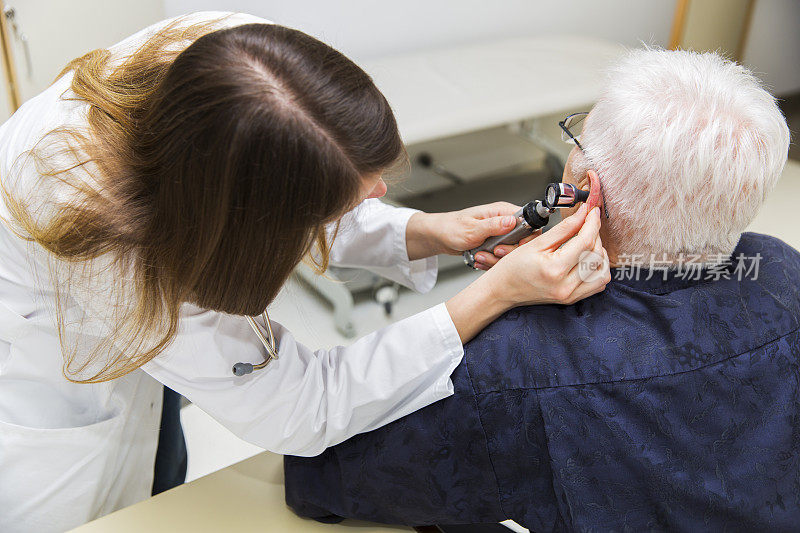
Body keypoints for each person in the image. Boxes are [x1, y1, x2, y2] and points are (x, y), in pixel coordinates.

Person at [0, 11, 610, 532]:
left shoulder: (238, 55)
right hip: (54, 362)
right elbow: (305, 409)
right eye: (354, 195)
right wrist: (494, 295)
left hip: (164, 262)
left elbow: (289, 191)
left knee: (165, 446)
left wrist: (420, 232)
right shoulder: (126, 257)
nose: (379, 189)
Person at [283, 48, 796, 531]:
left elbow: (319, 476)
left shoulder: (519, 360)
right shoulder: (781, 270)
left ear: (585, 188)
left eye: (576, 140)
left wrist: (494, 304)